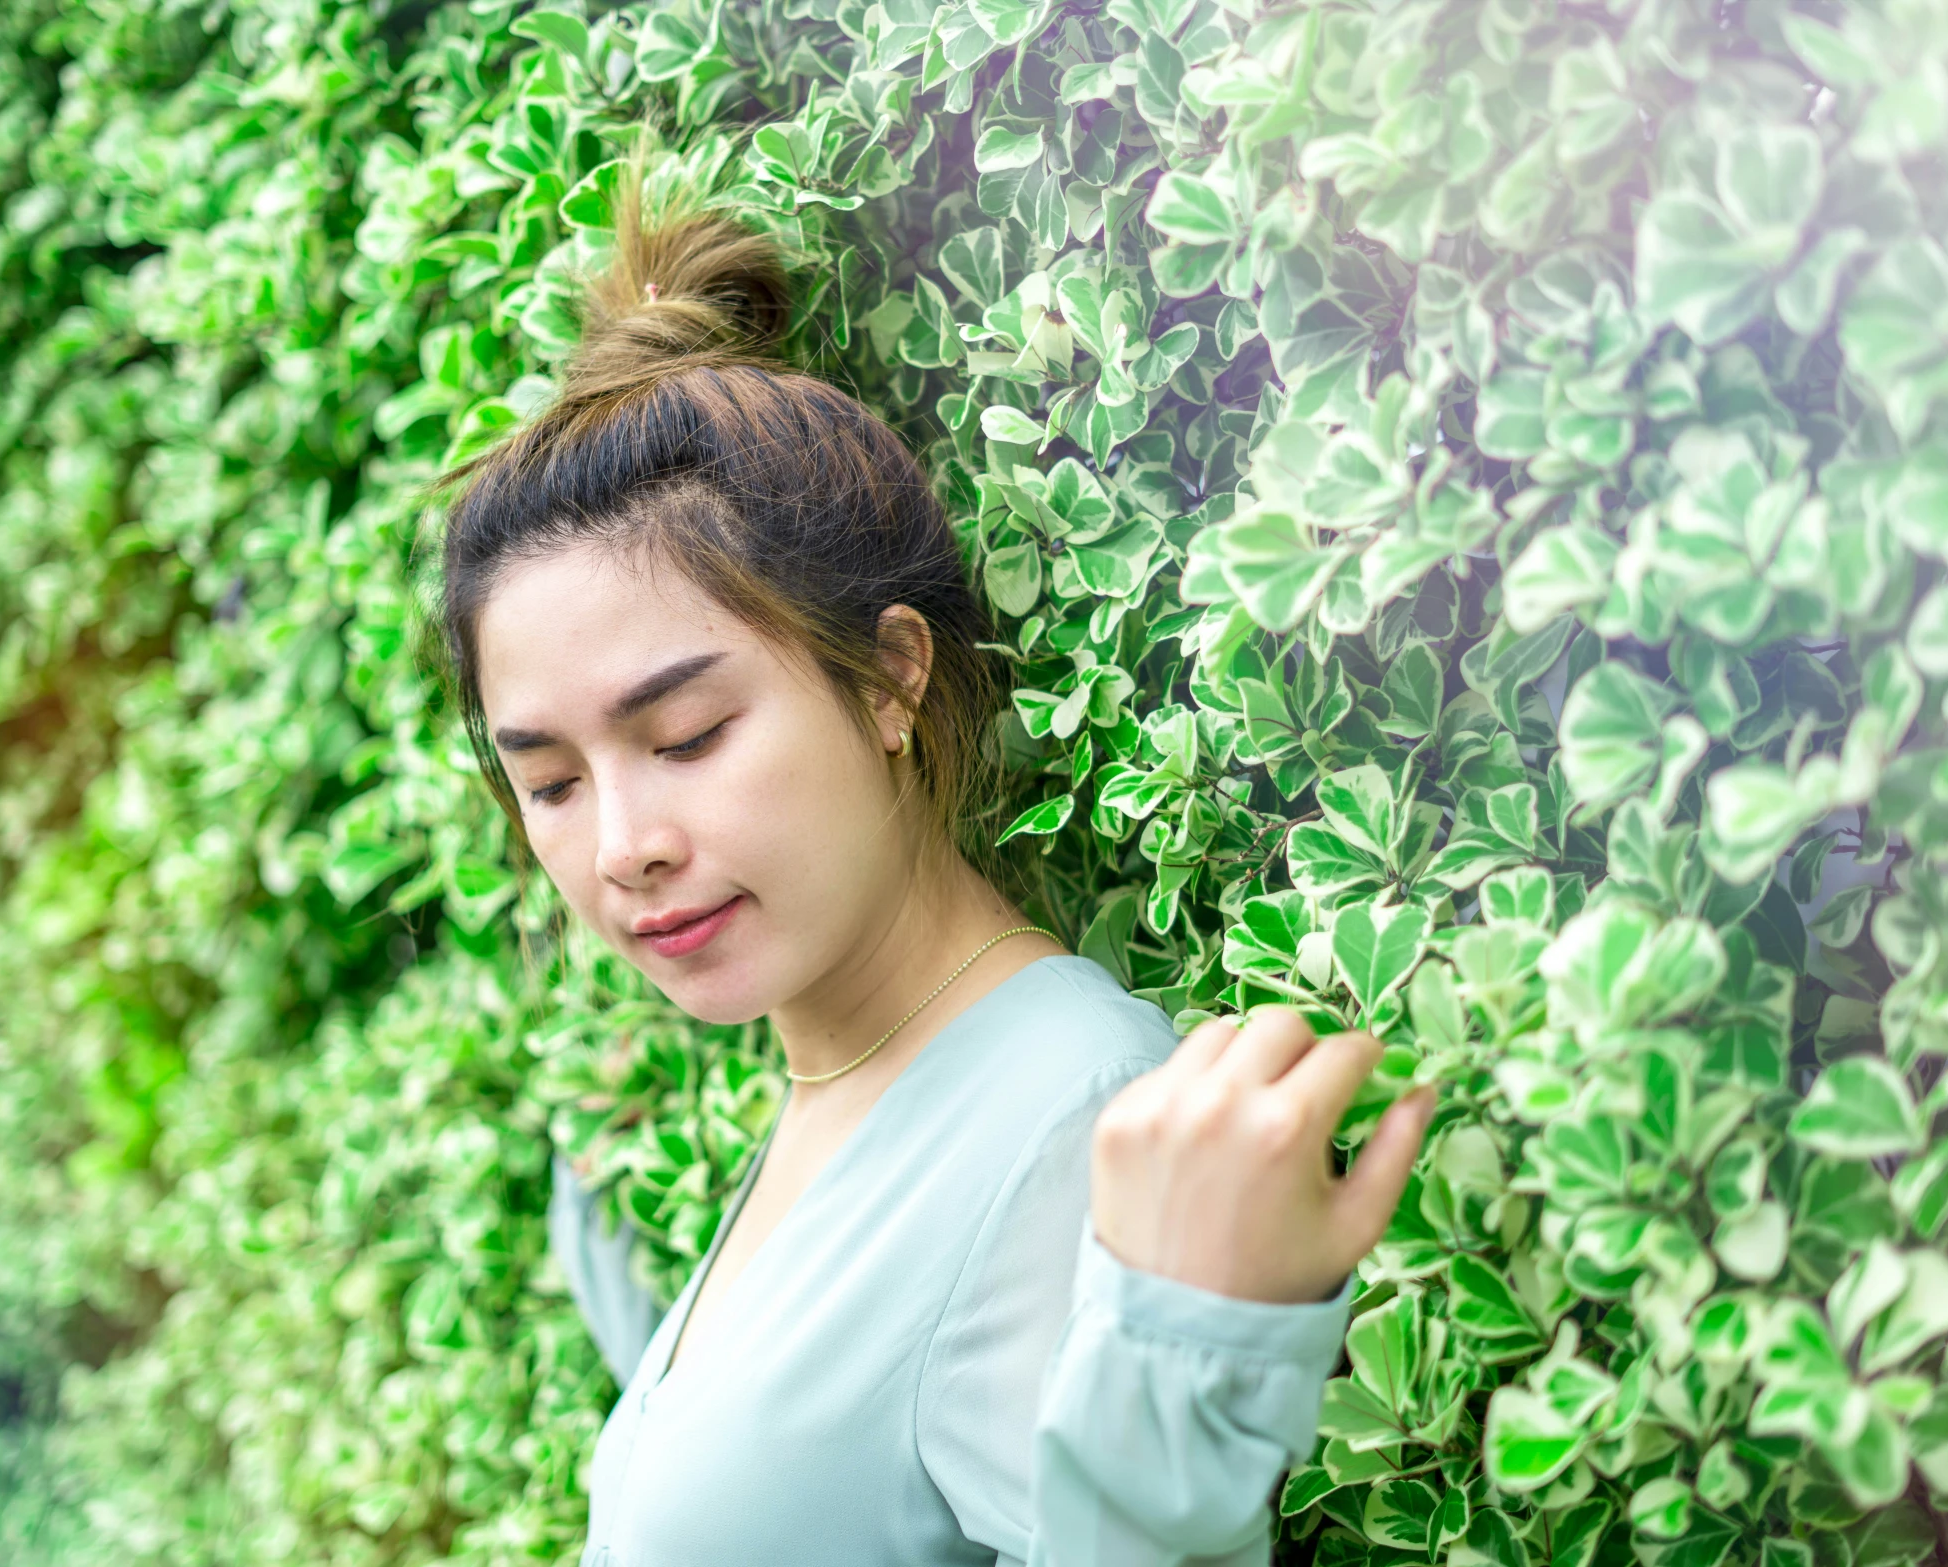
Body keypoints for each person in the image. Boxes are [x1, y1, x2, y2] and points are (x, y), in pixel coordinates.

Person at [436, 163, 1438, 1567]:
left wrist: (1181, 1349)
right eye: (547, 779)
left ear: (890, 680)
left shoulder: (1056, 1101)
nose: (619, 846)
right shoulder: (845, 1073)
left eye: (688, 733)